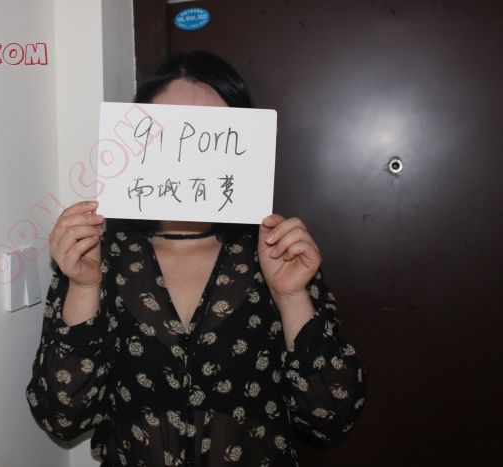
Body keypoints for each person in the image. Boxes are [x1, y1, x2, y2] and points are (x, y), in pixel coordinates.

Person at [26, 51, 367, 467]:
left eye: (214, 135)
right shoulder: (99, 255)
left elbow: (331, 418)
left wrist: (292, 297)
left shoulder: (277, 254)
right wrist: (83, 287)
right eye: (168, 134)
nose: (190, 152)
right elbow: (62, 416)